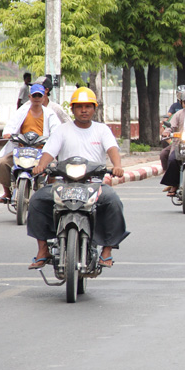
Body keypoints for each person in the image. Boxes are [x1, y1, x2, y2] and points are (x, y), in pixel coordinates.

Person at [26, 87, 127, 269]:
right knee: (37, 200)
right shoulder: (62, 130)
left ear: (94, 109)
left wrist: (117, 166)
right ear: (72, 109)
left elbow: (112, 149)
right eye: (79, 106)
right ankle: (43, 250)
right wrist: (41, 165)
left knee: (113, 201)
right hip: (64, 183)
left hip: (94, 185)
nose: (84, 110)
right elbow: (50, 151)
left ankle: (107, 251)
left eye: (88, 106)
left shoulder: (102, 130)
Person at [0, 84, 60, 204]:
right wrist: (7, 133)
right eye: (35, 95)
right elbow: (11, 126)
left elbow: (56, 130)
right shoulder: (22, 112)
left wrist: (53, 138)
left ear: (44, 96)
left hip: (42, 151)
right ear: (30, 97)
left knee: (53, 167)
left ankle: (52, 194)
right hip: (22, 150)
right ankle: (7, 193)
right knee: (3, 163)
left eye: (40, 95)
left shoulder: (50, 114)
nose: (37, 98)